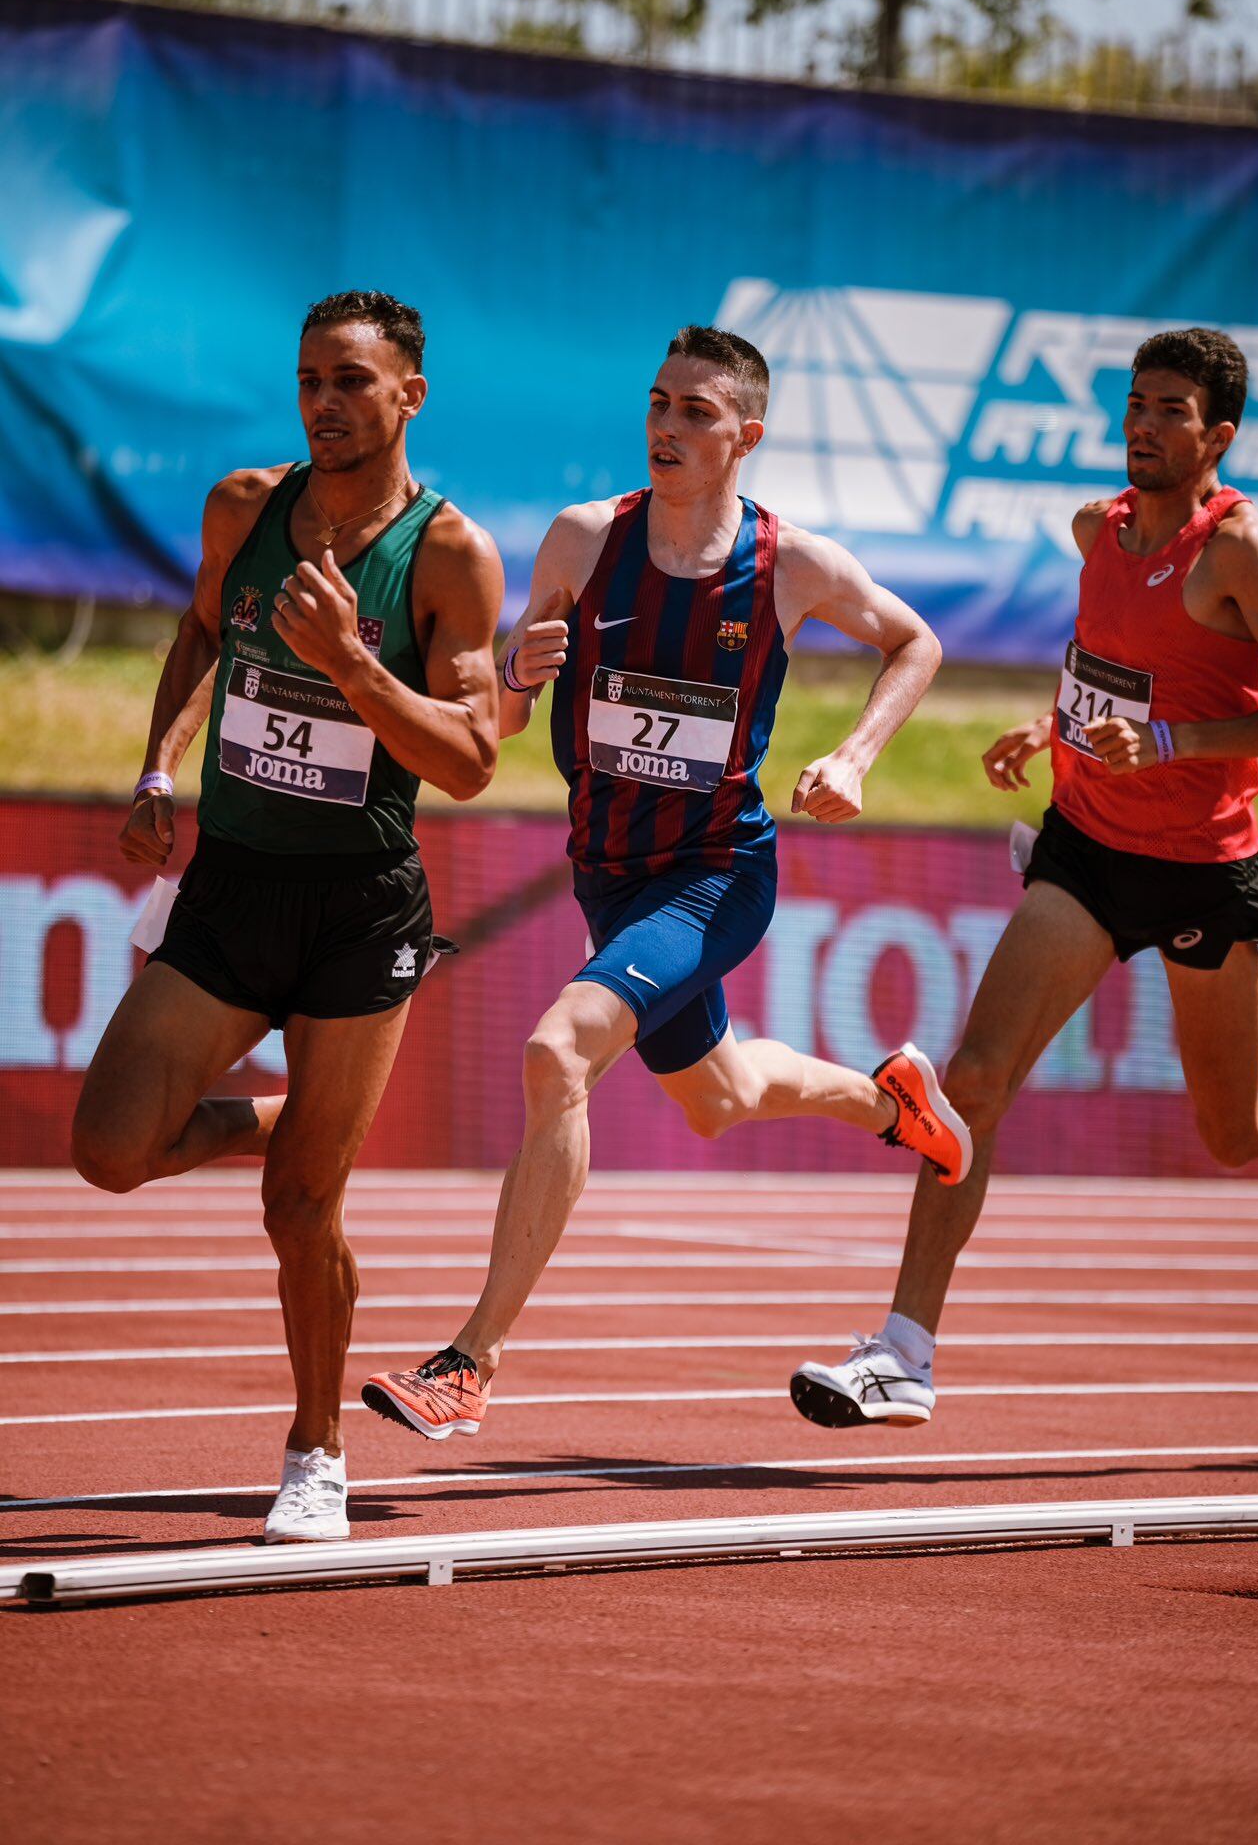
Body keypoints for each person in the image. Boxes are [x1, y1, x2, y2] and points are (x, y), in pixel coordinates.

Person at [361, 323, 959, 1441]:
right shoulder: (585, 539)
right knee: (718, 1096)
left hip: (715, 874)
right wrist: (514, 671)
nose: (666, 426)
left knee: (557, 1051)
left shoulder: (791, 564)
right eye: (656, 403)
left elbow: (914, 641)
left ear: (746, 436)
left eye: (695, 410)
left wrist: (855, 755)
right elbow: (506, 719)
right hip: (607, 874)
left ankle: (470, 1362)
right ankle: (895, 1103)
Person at [790, 325, 1258, 1431]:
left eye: (1170, 411)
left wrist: (1175, 744)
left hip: (1202, 869)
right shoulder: (1096, 528)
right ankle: (904, 1350)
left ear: (1218, 436)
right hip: (1089, 849)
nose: (1142, 426)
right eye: (1135, 404)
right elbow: (1111, 661)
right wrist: (1053, 724)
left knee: (1236, 1129)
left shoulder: (1242, 551)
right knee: (975, 1079)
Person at [71, 290, 502, 1538]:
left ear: (410, 394)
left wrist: (355, 666)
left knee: (299, 1208)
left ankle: (316, 1450)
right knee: (107, 1148)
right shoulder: (244, 506)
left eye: (352, 381)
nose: (324, 402)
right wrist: (158, 769)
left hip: (360, 910)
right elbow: (203, 632)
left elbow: (472, 760)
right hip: (231, 886)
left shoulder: (447, 553)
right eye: (311, 378)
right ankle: (290, 1114)